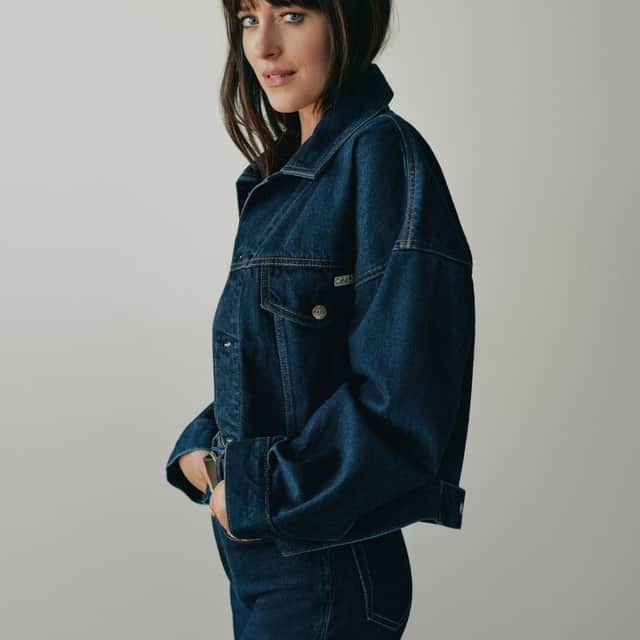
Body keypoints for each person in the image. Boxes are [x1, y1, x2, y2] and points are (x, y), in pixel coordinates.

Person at [165, 1, 476, 638]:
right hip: (269, 564)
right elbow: (292, 372)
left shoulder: (383, 158)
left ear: (348, 19)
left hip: (328, 570)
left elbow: (404, 404)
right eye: (248, 18)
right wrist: (205, 444)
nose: (263, 46)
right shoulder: (285, 177)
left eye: (292, 14)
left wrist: (255, 490)